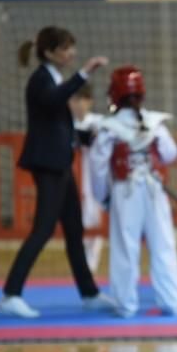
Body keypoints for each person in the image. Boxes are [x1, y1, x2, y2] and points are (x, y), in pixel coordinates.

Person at [0, 26, 115, 318]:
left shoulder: (53, 77)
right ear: (49, 52)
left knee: (74, 230)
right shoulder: (41, 80)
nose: (71, 53)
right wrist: (85, 73)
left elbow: (56, 124)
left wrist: (85, 138)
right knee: (43, 229)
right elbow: (52, 101)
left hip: (61, 163)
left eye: (72, 48)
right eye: (65, 48)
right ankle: (11, 294)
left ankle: (88, 292)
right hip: (48, 165)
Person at [88, 66, 177, 318]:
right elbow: (170, 154)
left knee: (124, 247)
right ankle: (171, 301)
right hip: (154, 189)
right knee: (163, 243)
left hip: (125, 191)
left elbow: (97, 168)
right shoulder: (155, 123)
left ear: (114, 94)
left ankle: (126, 304)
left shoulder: (109, 127)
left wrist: (103, 197)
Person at [69, 84, 106, 271]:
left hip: (93, 178)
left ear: (89, 101)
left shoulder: (99, 123)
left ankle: (91, 264)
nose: (76, 105)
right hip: (74, 177)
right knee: (77, 220)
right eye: (73, 100)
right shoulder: (66, 124)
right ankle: (80, 264)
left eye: (80, 100)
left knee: (94, 218)